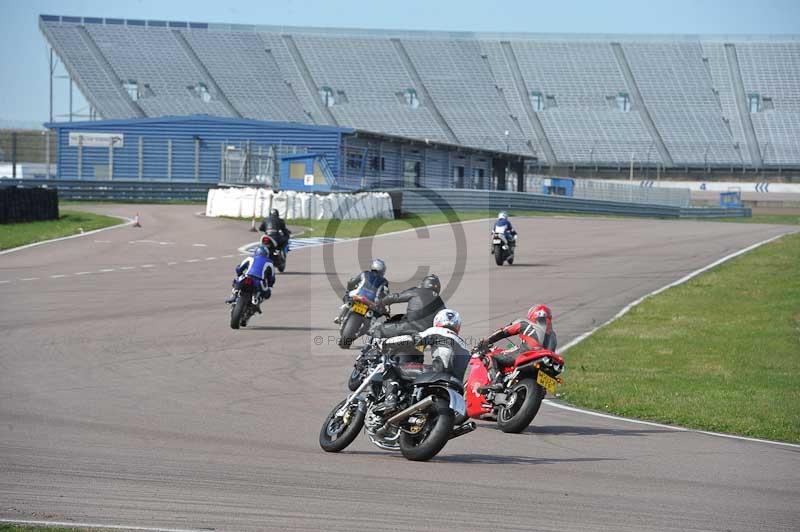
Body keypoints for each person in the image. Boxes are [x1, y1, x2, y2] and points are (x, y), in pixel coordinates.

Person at [380, 308, 469, 411]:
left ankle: (390, 401)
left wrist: (386, 342)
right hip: (456, 384)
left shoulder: (437, 331)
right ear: (458, 325)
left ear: (438, 321)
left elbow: (412, 340)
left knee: (392, 368)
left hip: (437, 373)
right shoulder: (465, 345)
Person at [476, 304, 557, 391]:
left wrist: (485, 342)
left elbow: (503, 332)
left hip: (527, 353)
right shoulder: (553, 335)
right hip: (546, 361)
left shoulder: (525, 323)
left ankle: (496, 382)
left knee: (491, 356)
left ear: (532, 315)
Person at [370, 274, 446, 339]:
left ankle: (374, 353)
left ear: (424, 283)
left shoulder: (417, 291)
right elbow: (445, 317)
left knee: (378, 329)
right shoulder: (439, 300)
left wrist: (381, 302)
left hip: (410, 326)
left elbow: (395, 297)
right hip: (428, 333)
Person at [334, 258, 390, 324]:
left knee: (347, 295)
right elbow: (385, 293)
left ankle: (345, 308)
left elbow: (352, 282)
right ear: (383, 270)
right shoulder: (384, 281)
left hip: (359, 294)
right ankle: (371, 322)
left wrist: (349, 289)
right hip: (372, 301)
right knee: (380, 311)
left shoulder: (365, 273)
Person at [225, 242, 276, 309]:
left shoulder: (250, 258)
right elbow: (272, 277)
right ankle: (257, 301)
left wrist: (239, 274)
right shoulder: (270, 262)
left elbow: (239, 268)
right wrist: (270, 284)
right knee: (267, 293)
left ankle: (234, 296)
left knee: (237, 281)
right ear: (267, 254)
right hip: (259, 281)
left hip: (247, 276)